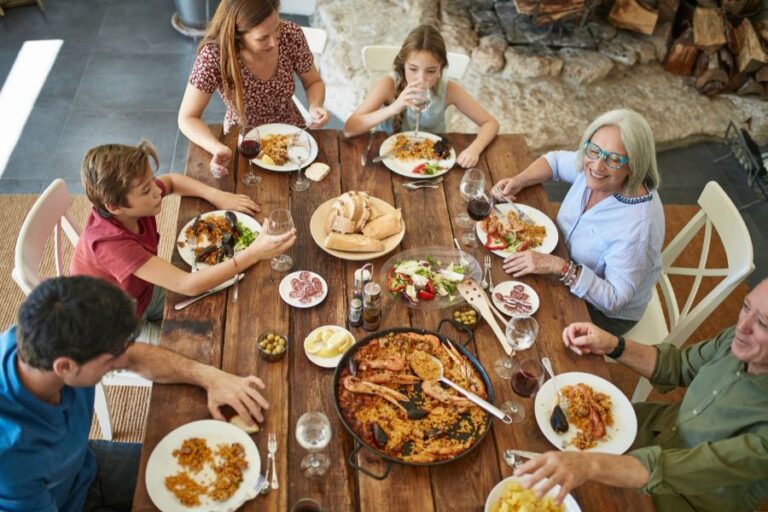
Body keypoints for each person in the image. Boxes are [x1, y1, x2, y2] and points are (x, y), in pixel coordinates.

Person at [0, 276, 270, 511]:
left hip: (85, 463)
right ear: (65, 367)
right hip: (59, 503)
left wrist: (209, 376)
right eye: (111, 359)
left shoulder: (42, 333)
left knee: (232, 481)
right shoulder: (12, 455)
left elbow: (135, 356)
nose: (122, 361)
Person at [515, 277, 768, 512]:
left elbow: (688, 467)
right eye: (746, 307)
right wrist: (614, 345)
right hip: (643, 430)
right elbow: (678, 365)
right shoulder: (734, 340)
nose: (742, 327)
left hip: (677, 499)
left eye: (763, 323)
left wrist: (590, 465)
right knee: (524, 446)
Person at [70, 141, 296, 333]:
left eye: (152, 181)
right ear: (115, 207)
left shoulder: (131, 203)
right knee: (193, 354)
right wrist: (254, 253)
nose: (157, 191)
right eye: (146, 191)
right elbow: (187, 285)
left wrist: (217, 195)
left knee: (223, 302)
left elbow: (171, 181)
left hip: (140, 292)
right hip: (112, 327)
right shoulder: (109, 244)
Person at [492, 109, 664, 335]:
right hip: (560, 261)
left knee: (520, 327)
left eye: (613, 159)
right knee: (496, 279)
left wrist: (558, 266)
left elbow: (614, 299)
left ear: (633, 166)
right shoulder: (592, 164)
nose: (597, 165)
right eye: (593, 150)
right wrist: (519, 180)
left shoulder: (638, 229)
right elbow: (553, 162)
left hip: (600, 311)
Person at [179, 0, 330, 177]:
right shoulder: (215, 55)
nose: (274, 42)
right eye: (263, 38)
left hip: (292, 134)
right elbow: (187, 118)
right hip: (242, 139)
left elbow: (314, 82)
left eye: (276, 28)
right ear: (237, 35)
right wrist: (217, 147)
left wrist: (315, 105)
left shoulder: (290, 34)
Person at [343, 24, 498, 168]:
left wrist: (475, 149)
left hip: (429, 163)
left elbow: (490, 122)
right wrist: (393, 108)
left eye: (430, 71)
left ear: (441, 69)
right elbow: (349, 128)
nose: (421, 79)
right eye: (413, 69)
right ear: (403, 65)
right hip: (388, 162)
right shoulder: (388, 85)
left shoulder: (449, 89)